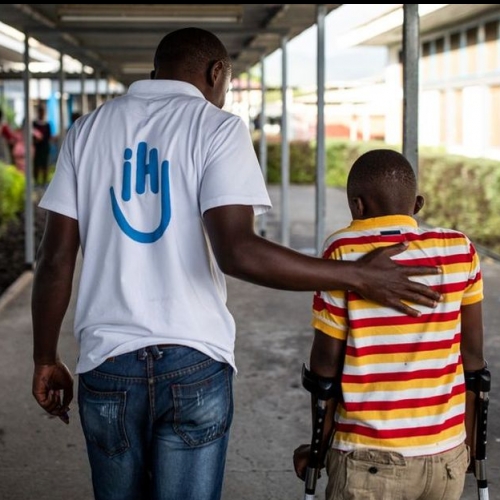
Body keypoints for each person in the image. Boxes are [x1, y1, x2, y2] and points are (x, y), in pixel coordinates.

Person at [31, 28, 442, 500]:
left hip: (107, 362)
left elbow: (55, 257)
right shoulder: (216, 127)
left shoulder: (87, 131)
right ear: (217, 72)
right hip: (194, 360)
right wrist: (357, 275)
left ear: (154, 73)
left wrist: (45, 357)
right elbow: (238, 251)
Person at [293, 149, 486, 500]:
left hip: (368, 458)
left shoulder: (344, 251)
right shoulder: (460, 250)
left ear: (357, 206)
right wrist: (470, 444)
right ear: (418, 203)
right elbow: (473, 360)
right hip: (446, 457)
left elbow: (325, 370)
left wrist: (318, 449)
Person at [32, 104, 53, 186]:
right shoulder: (34, 124)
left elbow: (48, 136)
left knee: (44, 165)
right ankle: (36, 182)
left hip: (44, 148)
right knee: (36, 165)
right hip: (37, 148)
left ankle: (44, 182)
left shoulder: (47, 124)